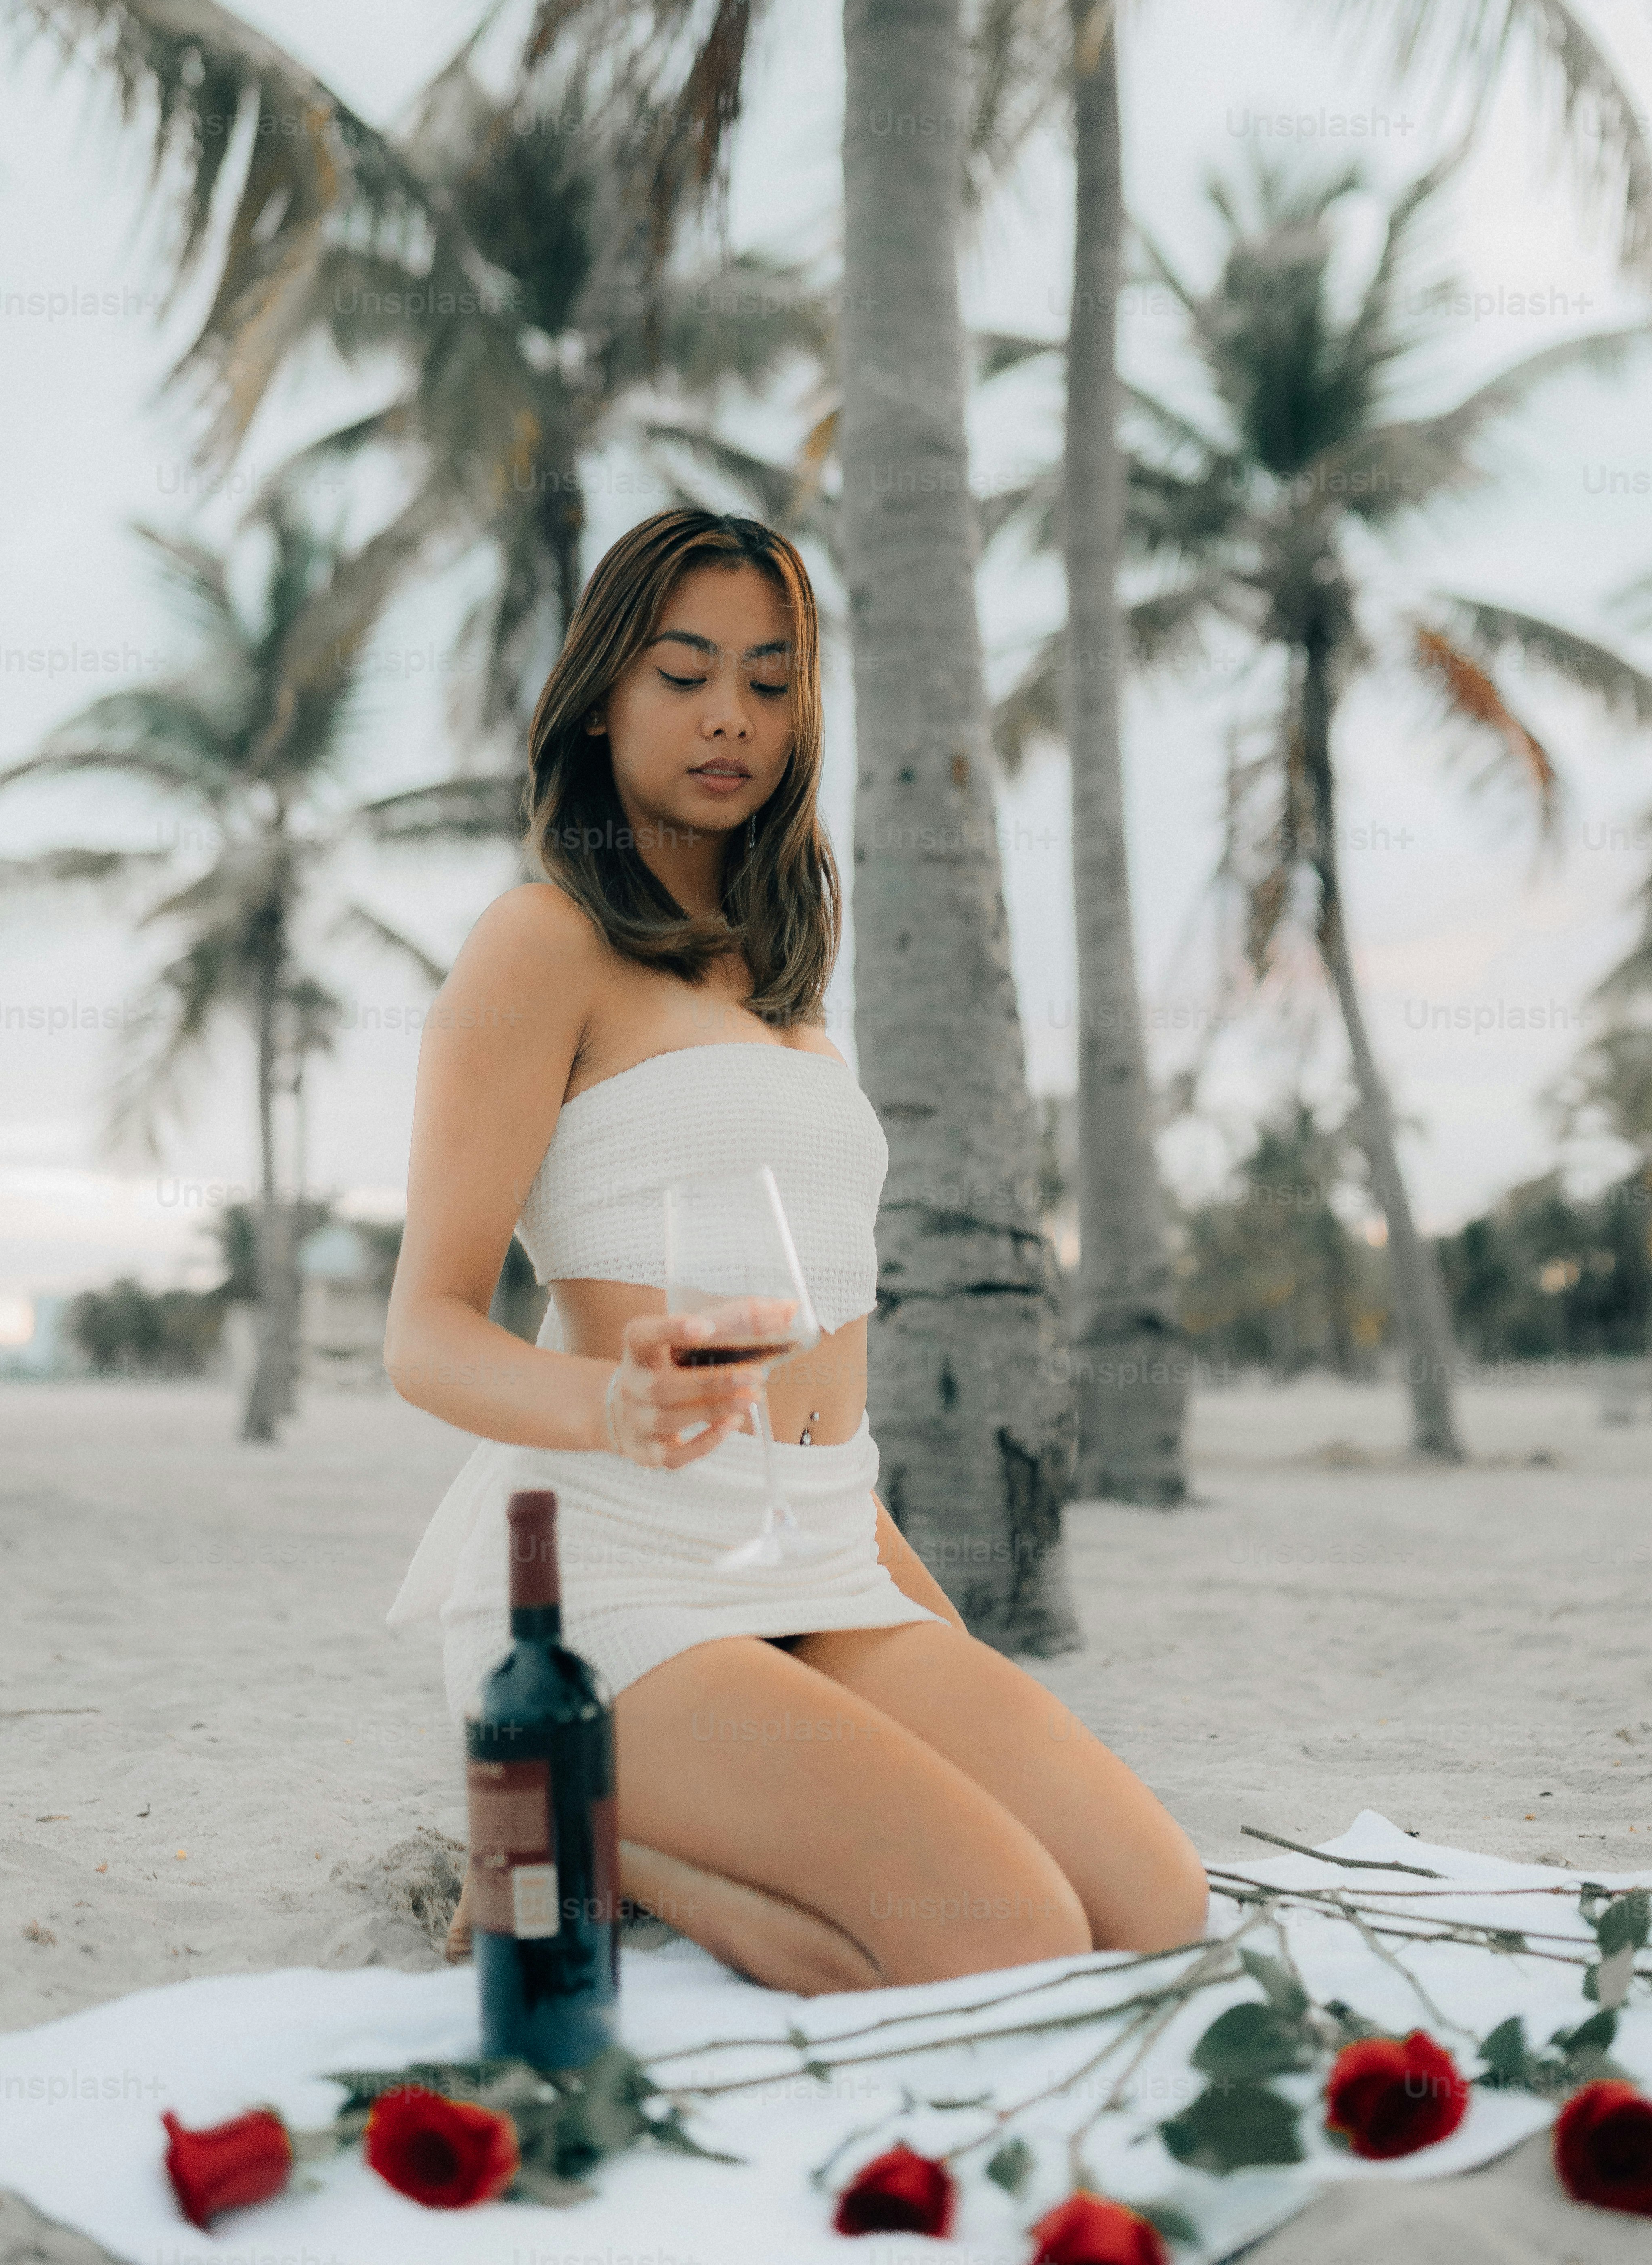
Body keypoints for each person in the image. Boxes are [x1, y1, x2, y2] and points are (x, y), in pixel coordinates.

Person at [382, 507, 1208, 1993]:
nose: (731, 717)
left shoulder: (782, 976)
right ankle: (586, 1823)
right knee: (1011, 1936)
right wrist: (610, 1402)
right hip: (625, 1574)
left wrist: (937, 1642)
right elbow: (425, 1332)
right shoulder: (541, 944)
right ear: (602, 695)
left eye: (771, 681)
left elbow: (828, 1380)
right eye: (684, 672)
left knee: (1154, 1907)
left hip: (827, 1556)